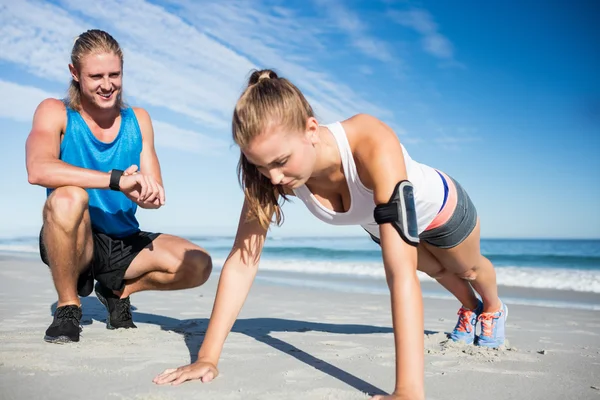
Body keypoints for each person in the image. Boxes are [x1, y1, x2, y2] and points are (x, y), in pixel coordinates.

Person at [153, 69, 507, 400]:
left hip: (442, 208)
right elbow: (242, 263)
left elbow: (399, 276)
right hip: (381, 222)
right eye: (261, 166)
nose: (273, 177)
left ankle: (491, 308)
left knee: (467, 270)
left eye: (279, 162)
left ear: (311, 129)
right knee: (433, 269)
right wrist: (208, 356)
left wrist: (408, 390)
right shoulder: (272, 176)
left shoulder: (370, 140)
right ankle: (469, 307)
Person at [25, 29, 213, 344]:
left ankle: (117, 290)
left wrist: (146, 194)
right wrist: (116, 180)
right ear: (75, 73)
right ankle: (68, 307)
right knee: (68, 197)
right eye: (96, 75)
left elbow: (153, 195)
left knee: (198, 264)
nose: (107, 84)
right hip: (75, 237)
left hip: (123, 242)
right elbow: (37, 169)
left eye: (115, 74)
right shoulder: (54, 111)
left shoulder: (138, 119)